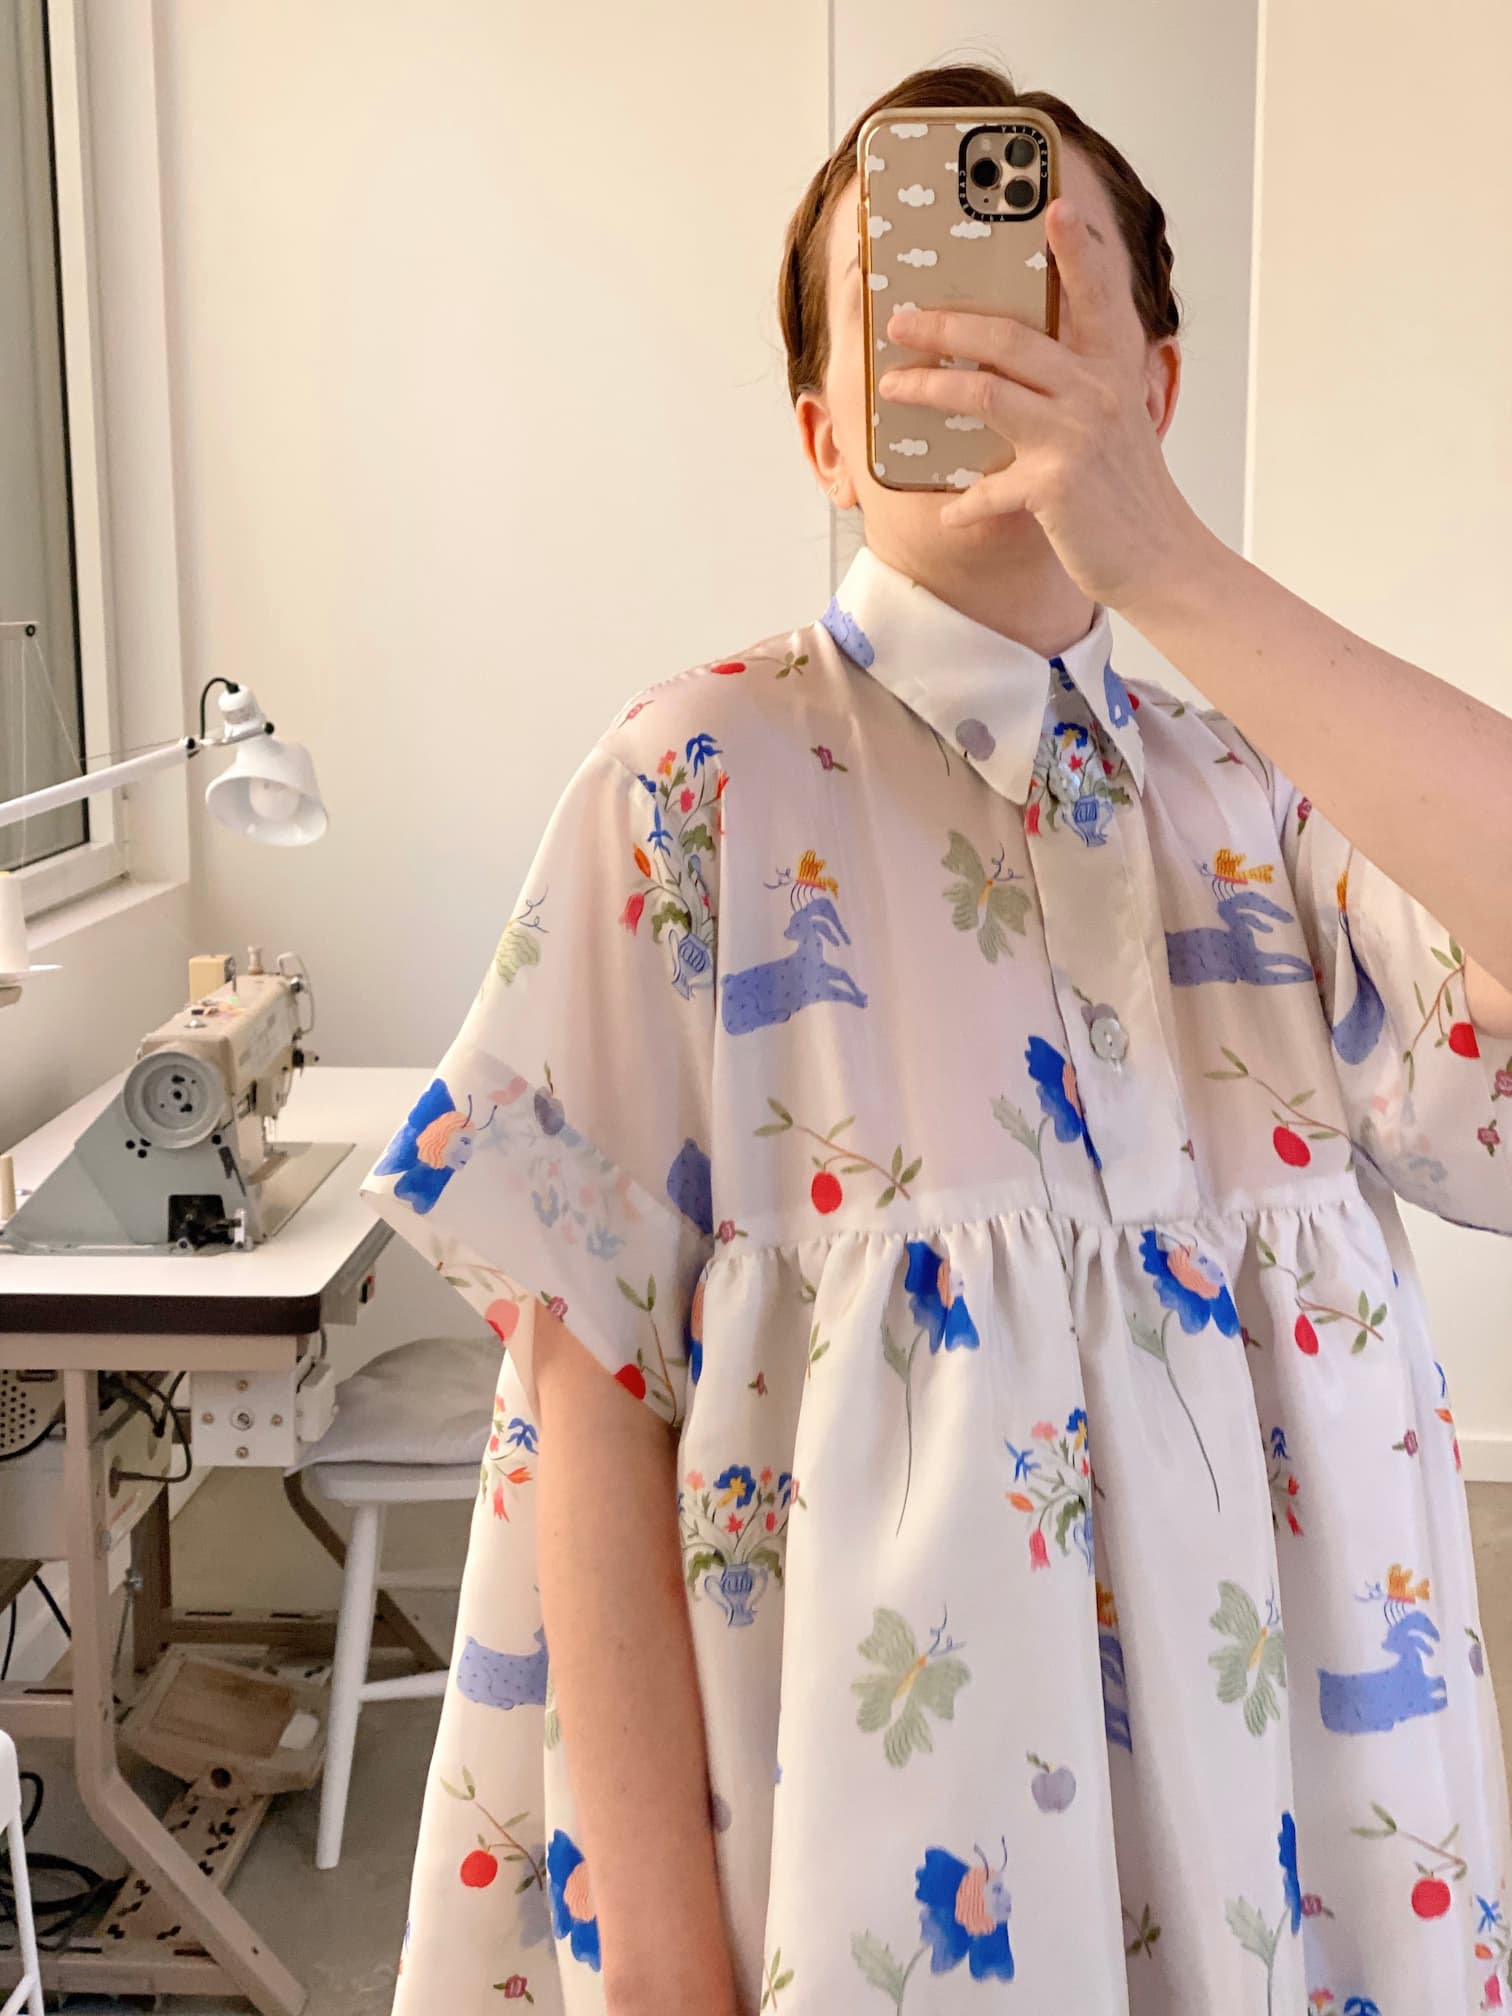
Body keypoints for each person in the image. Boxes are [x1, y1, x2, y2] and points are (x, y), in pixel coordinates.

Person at [361, 60, 1512, 2016]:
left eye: (1049, 291)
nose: (984, 349)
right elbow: (582, 1392)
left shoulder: (1282, 796)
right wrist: (653, 1968)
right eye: (921, 301)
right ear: (828, 435)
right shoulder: (693, 778)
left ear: (1153, 385)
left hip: (1293, 1840)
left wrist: (1166, 562)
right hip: (859, 1847)